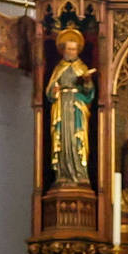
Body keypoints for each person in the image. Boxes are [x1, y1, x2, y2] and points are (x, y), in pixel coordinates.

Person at [43, 28, 95, 188]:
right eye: (68, 49)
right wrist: (54, 91)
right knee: (63, 139)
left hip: (77, 106)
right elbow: (49, 91)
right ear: (63, 50)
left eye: (74, 49)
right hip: (61, 107)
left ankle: (80, 173)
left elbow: (90, 92)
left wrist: (86, 82)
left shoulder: (82, 66)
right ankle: (62, 174)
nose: (71, 52)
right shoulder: (58, 68)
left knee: (76, 140)